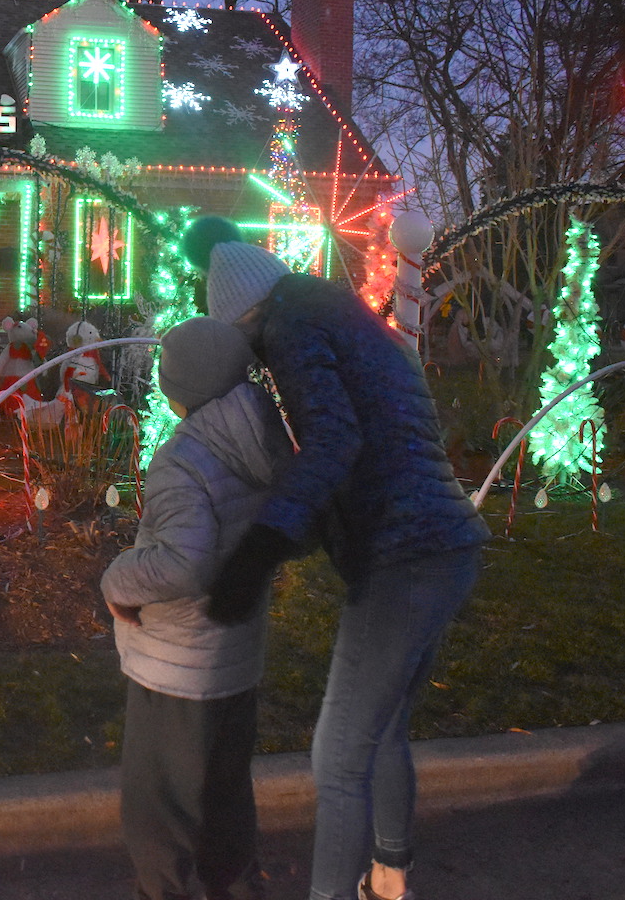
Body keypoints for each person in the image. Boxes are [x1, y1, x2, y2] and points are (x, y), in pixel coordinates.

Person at [185, 217, 490, 900]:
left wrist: (261, 547)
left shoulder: (291, 325)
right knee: (382, 732)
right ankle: (388, 879)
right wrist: (296, 533)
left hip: (404, 555)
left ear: (247, 315)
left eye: (246, 344)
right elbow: (373, 441)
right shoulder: (339, 314)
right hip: (444, 543)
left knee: (339, 755)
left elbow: (333, 441)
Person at [101, 316, 294, 900]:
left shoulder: (185, 460)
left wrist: (117, 580)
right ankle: (235, 887)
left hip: (176, 664)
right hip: (235, 655)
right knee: (226, 791)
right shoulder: (261, 436)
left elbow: (184, 563)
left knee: (161, 806)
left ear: (173, 384)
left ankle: (165, 892)